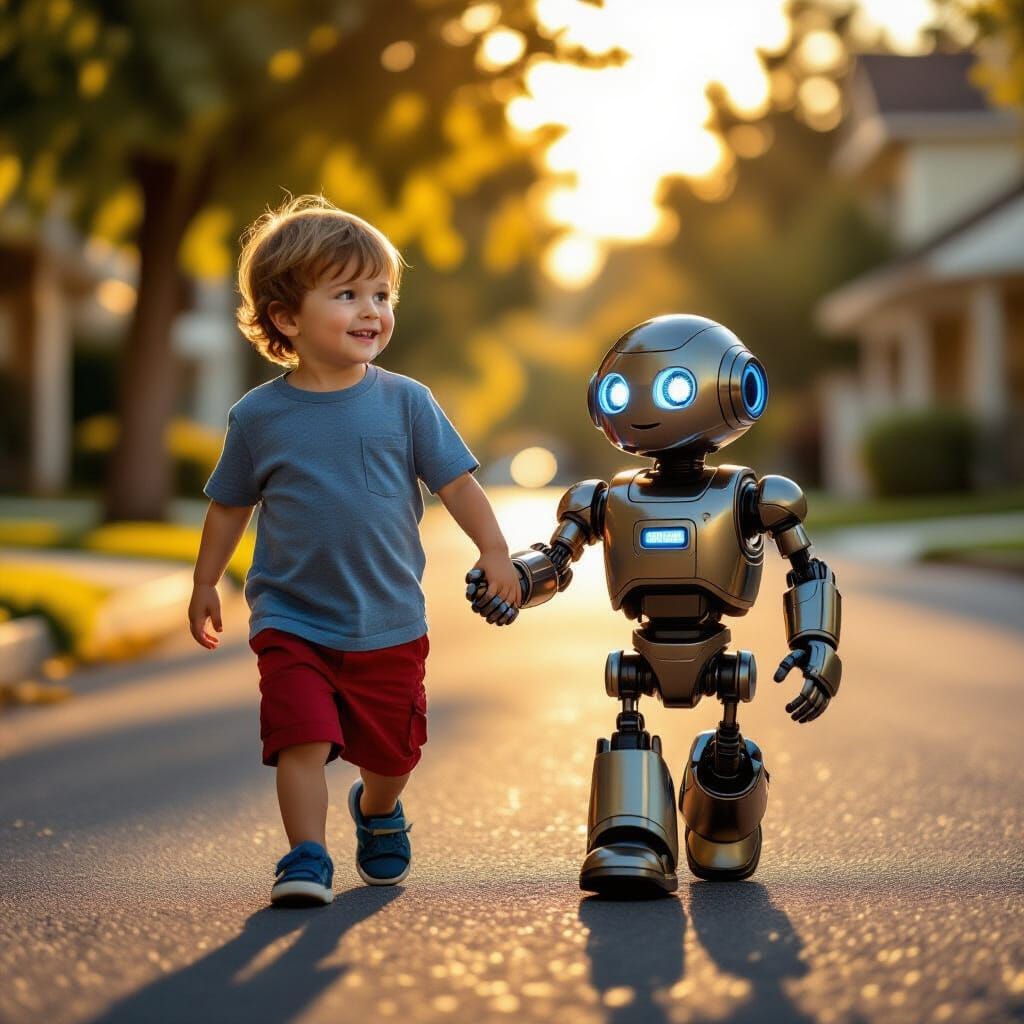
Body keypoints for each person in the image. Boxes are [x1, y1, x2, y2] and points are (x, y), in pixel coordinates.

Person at [188, 194, 520, 907]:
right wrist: (205, 582)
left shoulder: (407, 402)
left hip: (387, 620)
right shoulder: (258, 416)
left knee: (393, 755)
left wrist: (495, 551)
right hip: (292, 618)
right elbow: (230, 505)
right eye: (347, 295)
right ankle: (306, 857)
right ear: (286, 318)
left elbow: (457, 485)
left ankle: (377, 808)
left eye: (381, 294)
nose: (371, 310)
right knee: (299, 738)